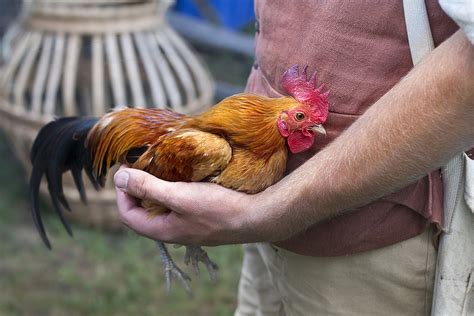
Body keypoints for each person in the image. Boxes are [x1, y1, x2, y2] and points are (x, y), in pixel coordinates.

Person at [113, 1, 474, 315]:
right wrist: (254, 216)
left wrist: (260, 214)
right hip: (262, 223)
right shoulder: (220, 151)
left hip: (366, 241)